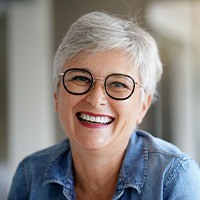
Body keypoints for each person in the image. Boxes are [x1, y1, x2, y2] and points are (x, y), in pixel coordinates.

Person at [8, 11, 200, 200]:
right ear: (57, 95)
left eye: (118, 84)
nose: (95, 98)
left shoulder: (174, 178)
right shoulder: (30, 175)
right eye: (81, 78)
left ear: (143, 105)